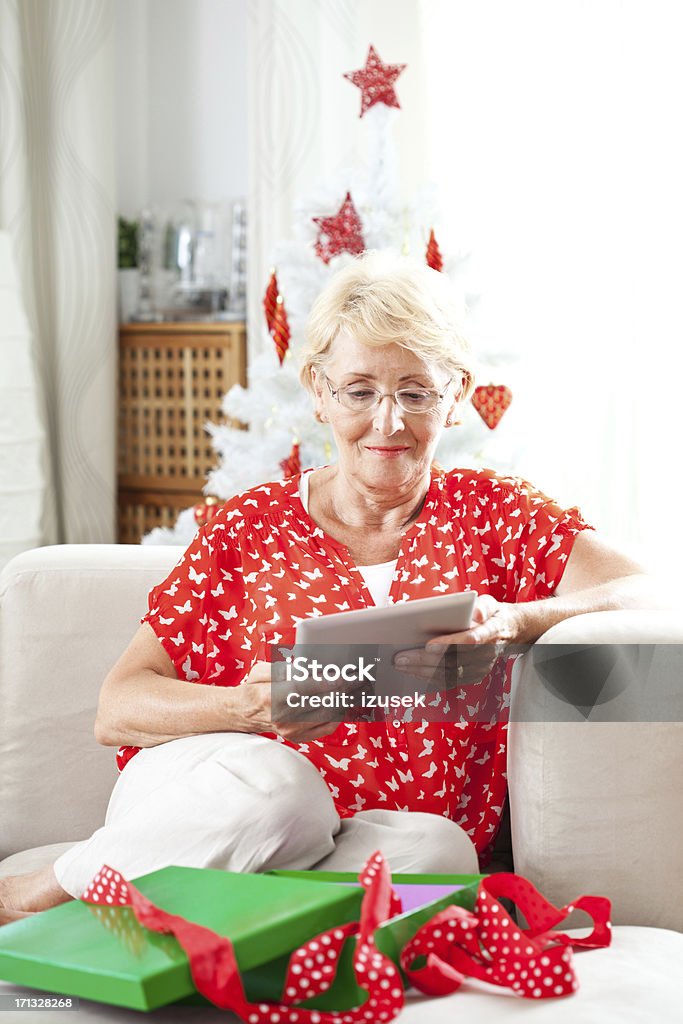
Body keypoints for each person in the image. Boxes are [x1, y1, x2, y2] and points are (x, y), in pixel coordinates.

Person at [0, 250, 654, 925]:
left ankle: (204, 922)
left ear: (455, 395)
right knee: (286, 789)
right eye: (360, 390)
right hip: (212, 800)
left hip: (348, 840)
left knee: (441, 850)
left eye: (415, 391)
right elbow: (118, 707)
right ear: (318, 391)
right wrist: (244, 709)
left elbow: (644, 591)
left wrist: (515, 620)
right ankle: (43, 891)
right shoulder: (251, 525)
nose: (388, 422)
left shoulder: (493, 515)